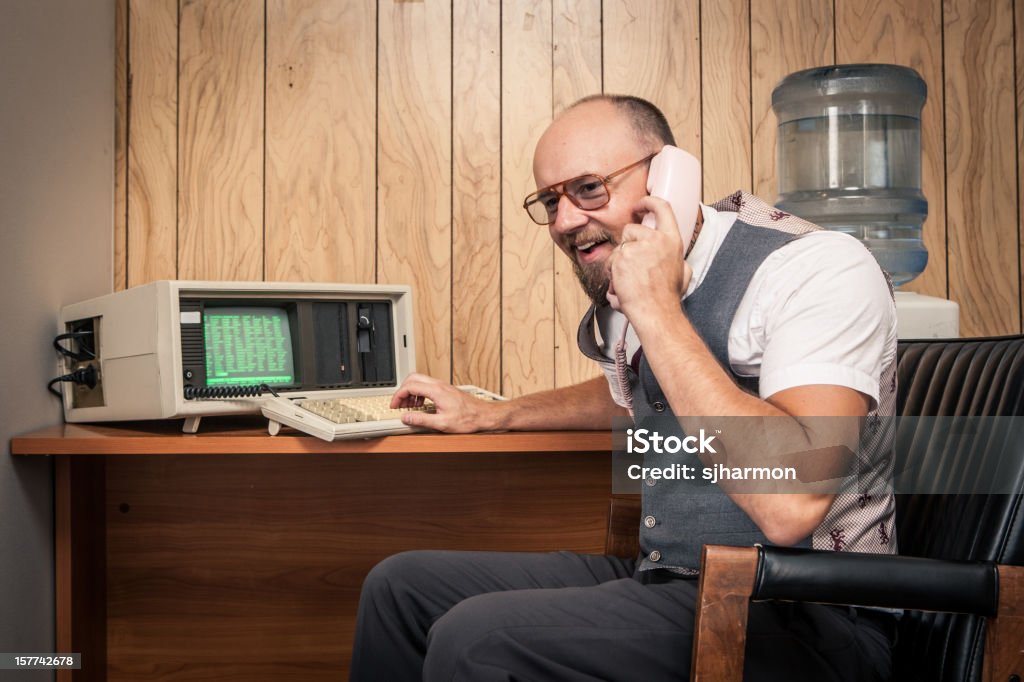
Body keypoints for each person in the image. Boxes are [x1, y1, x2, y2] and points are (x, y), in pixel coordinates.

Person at [349, 94, 898, 681]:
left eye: (589, 188)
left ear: (668, 176)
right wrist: (493, 414)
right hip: (678, 581)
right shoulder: (641, 283)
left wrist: (656, 309)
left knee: (479, 639)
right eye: (550, 200)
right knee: (400, 587)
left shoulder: (815, 268)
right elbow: (633, 392)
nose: (563, 222)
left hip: (809, 617)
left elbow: (791, 504)